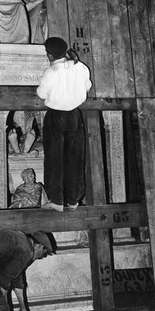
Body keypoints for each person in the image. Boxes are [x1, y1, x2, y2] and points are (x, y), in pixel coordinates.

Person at [37, 37, 92, 212]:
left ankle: (57, 200)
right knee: (74, 157)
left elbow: (41, 93)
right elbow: (87, 87)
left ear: (49, 55)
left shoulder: (51, 72)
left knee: (55, 159)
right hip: (74, 116)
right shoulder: (80, 67)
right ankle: (73, 199)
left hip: (56, 117)